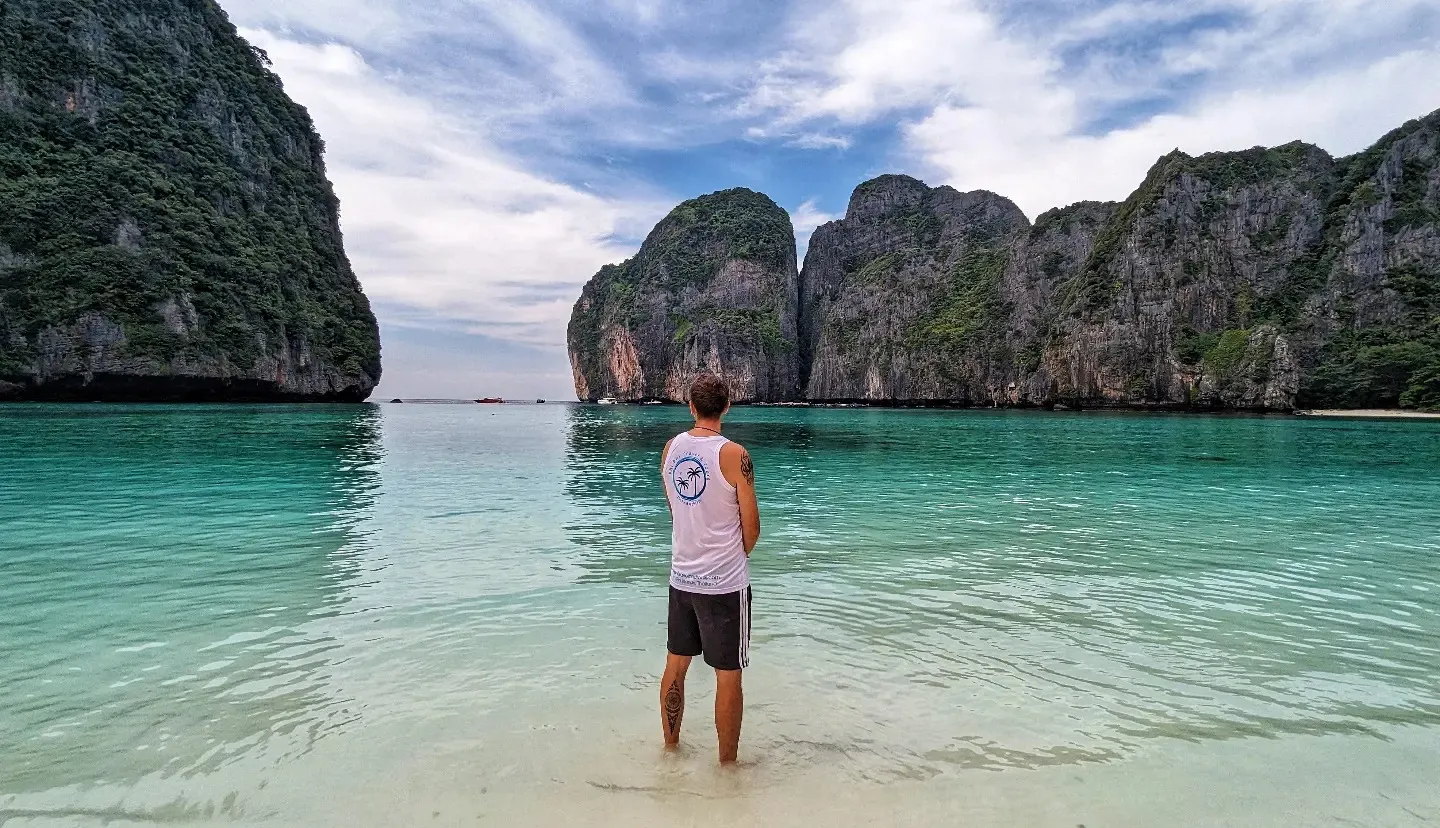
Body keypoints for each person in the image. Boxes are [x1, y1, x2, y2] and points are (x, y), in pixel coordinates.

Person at [658, 372, 759, 764]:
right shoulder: (735, 455)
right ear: (727, 407)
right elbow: (751, 527)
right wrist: (736, 556)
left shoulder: (670, 449)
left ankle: (669, 751)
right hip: (724, 585)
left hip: (681, 579)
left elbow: (675, 510)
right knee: (729, 674)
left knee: (675, 664)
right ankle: (727, 767)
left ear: (691, 407)